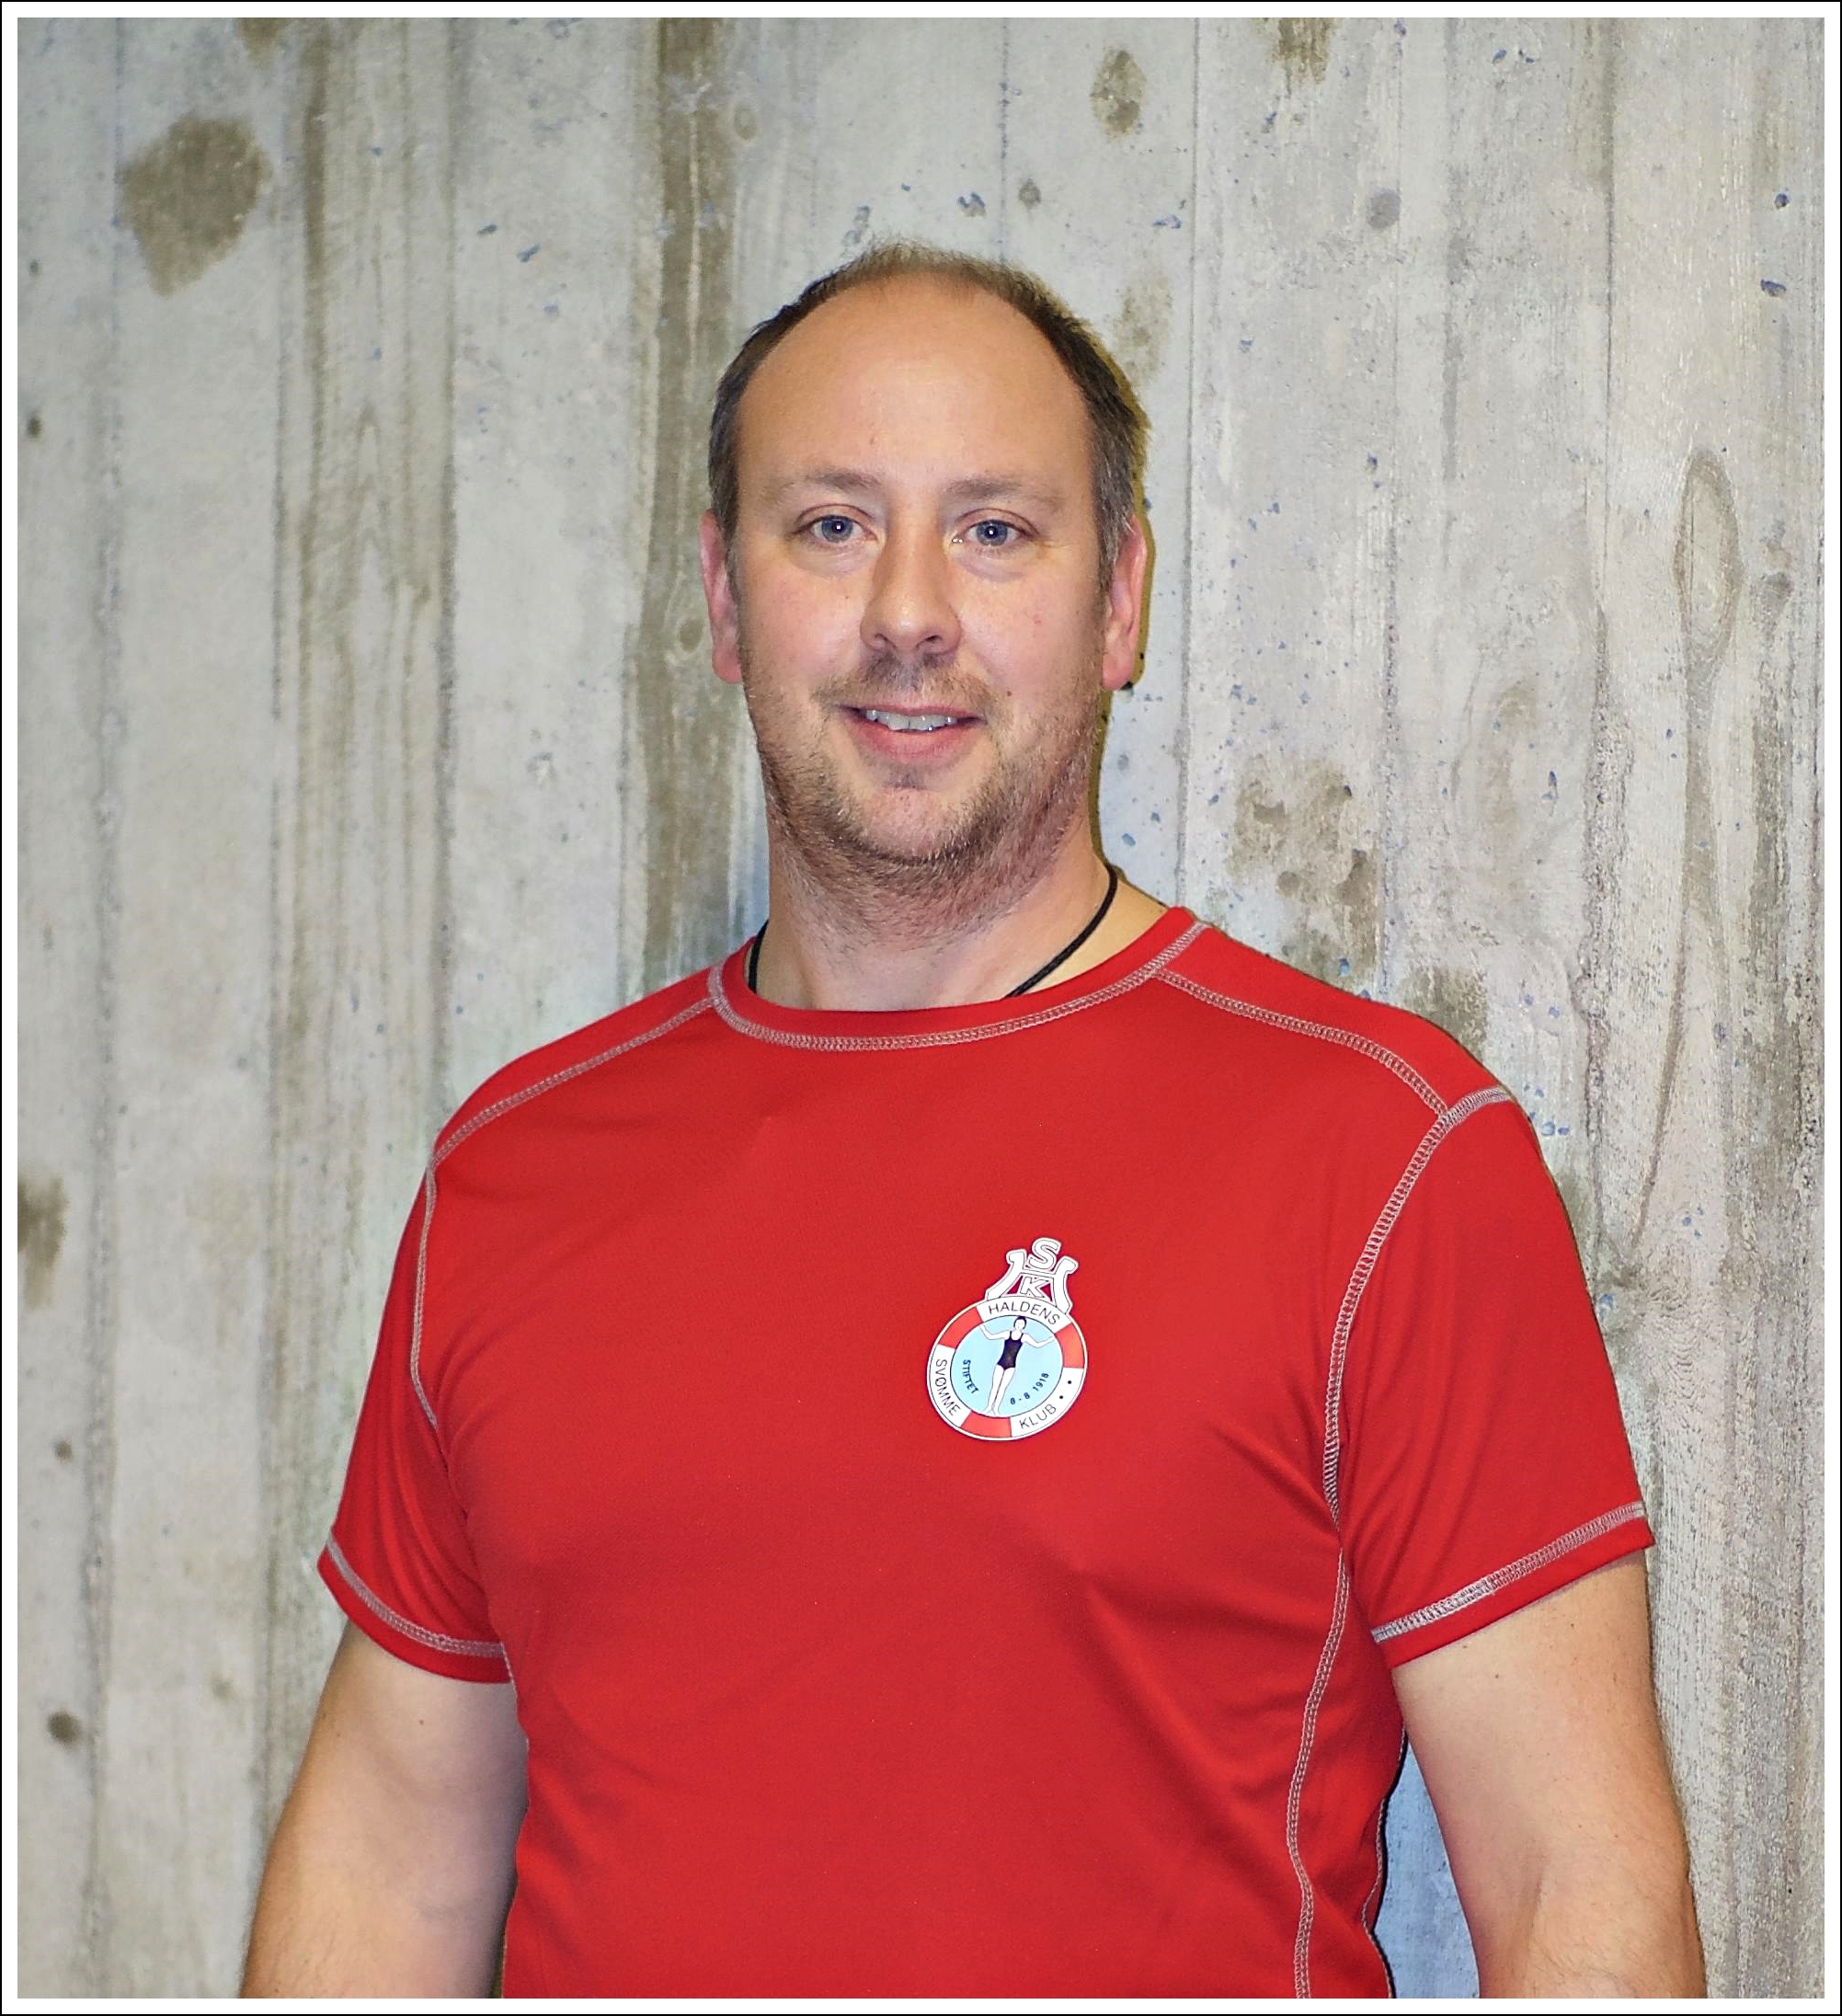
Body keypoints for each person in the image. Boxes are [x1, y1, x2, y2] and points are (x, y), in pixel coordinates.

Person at [242, 242, 1704, 1998]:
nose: (910, 611)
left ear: (1120, 602)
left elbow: (1575, 1894)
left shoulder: (1381, 1157)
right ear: (722, 599)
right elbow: (385, 1869)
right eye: (831, 525)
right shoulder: (513, 1172)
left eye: (996, 530)